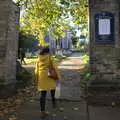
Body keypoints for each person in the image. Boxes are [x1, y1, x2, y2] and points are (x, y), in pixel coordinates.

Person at [34, 47, 60, 117]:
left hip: (41, 77)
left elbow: (36, 71)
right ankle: (54, 102)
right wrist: (58, 77)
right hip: (50, 75)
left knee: (43, 95)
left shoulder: (38, 59)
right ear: (48, 52)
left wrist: (36, 80)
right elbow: (55, 67)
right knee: (53, 89)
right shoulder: (50, 57)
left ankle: (42, 112)